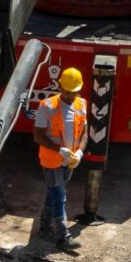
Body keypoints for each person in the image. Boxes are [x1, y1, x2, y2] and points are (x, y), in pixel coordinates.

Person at [31, 66, 90, 249]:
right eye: (67, 91)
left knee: (53, 194)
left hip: (69, 161)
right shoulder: (47, 106)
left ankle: (44, 228)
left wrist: (80, 151)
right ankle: (62, 237)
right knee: (59, 197)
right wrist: (60, 150)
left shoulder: (82, 104)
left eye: (74, 92)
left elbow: (84, 133)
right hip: (52, 161)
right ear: (60, 87)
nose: (70, 96)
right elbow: (38, 136)